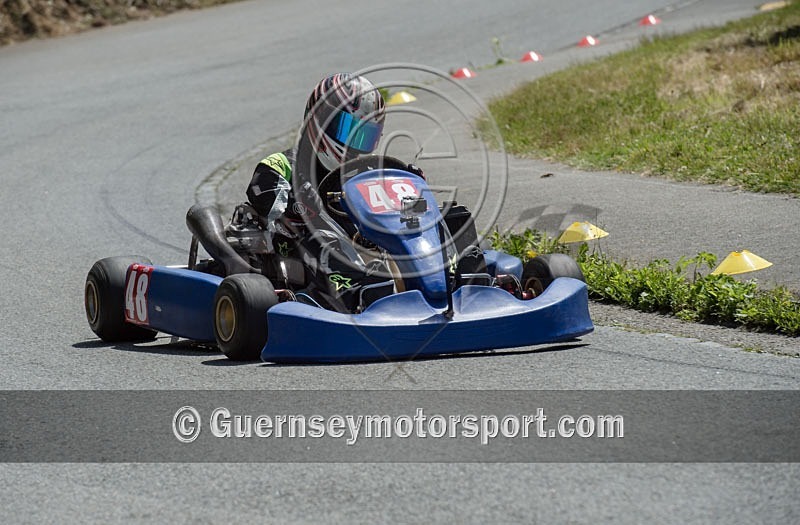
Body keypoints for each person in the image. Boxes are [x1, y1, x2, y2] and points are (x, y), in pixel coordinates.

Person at [190, 73, 421, 312]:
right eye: (348, 131)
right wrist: (297, 201)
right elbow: (263, 194)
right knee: (320, 236)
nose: (354, 144)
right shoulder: (282, 164)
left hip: (355, 250)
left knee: (409, 231)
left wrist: (408, 192)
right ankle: (357, 297)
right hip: (289, 255)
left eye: (364, 136)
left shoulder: (364, 176)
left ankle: (433, 285)